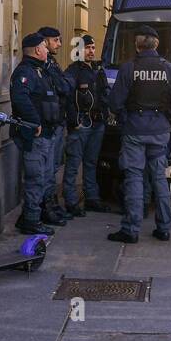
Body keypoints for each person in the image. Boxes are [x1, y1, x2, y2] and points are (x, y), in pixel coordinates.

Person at [107, 27, 171, 244]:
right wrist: (165, 118)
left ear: (137, 45)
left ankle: (131, 229)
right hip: (159, 130)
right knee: (160, 178)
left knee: (133, 177)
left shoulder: (128, 68)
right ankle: (164, 228)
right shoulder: (169, 69)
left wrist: (125, 118)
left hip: (134, 128)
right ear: (156, 44)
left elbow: (114, 103)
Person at [9, 33, 60, 236]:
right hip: (35, 136)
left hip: (47, 134)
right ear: (38, 50)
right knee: (35, 178)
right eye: (44, 47)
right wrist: (35, 122)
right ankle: (31, 220)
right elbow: (20, 98)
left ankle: (29, 216)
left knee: (45, 176)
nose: (48, 50)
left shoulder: (42, 70)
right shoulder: (25, 72)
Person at [65, 35, 112, 215]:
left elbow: (105, 93)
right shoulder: (72, 71)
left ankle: (91, 198)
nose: (91, 51)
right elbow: (67, 98)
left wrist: (107, 114)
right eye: (87, 48)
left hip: (98, 123)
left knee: (92, 163)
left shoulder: (98, 70)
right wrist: (73, 120)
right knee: (73, 164)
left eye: (93, 47)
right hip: (81, 124)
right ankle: (70, 201)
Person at [38, 25, 73, 226]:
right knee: (47, 169)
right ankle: (46, 207)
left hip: (57, 120)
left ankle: (51, 204)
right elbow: (63, 87)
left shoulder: (51, 62)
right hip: (50, 123)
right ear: (45, 42)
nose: (59, 44)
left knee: (52, 167)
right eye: (56, 40)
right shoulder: (45, 65)